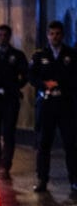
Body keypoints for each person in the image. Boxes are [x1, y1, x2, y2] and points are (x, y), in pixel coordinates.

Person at [28, 20, 77, 193]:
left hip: (65, 105)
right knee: (44, 144)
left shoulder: (71, 54)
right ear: (48, 35)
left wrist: (61, 84)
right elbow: (31, 77)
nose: (55, 37)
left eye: (58, 34)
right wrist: (43, 84)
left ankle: (74, 180)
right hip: (47, 104)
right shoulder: (40, 55)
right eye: (52, 34)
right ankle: (42, 179)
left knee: (70, 143)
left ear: (62, 35)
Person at [0, 24, 28, 180]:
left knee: (8, 133)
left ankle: (5, 165)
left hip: (10, 99)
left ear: (9, 37)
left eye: (4, 35)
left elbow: (25, 75)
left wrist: (15, 88)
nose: (2, 37)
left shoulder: (17, 55)